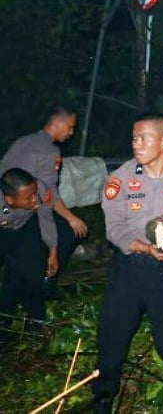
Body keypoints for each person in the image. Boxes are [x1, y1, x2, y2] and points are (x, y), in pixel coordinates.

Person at [92, 114, 163, 413]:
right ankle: (103, 397)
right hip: (130, 268)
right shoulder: (120, 178)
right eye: (133, 138)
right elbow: (114, 228)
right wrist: (143, 247)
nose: (136, 144)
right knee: (112, 336)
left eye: (143, 138)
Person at [0, 105, 86, 274]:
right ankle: (44, 281)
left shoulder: (23, 141)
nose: (71, 133)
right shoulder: (50, 152)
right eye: (70, 127)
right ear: (58, 124)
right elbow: (49, 193)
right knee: (64, 234)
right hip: (17, 215)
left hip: (9, 207)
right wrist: (71, 218)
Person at [0, 168, 57, 339]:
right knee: (12, 271)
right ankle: (4, 319)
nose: (35, 199)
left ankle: (36, 322)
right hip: (3, 232)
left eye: (34, 193)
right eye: (29, 197)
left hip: (26, 228)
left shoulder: (40, 188)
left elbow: (46, 218)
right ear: (9, 199)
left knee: (32, 272)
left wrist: (52, 251)